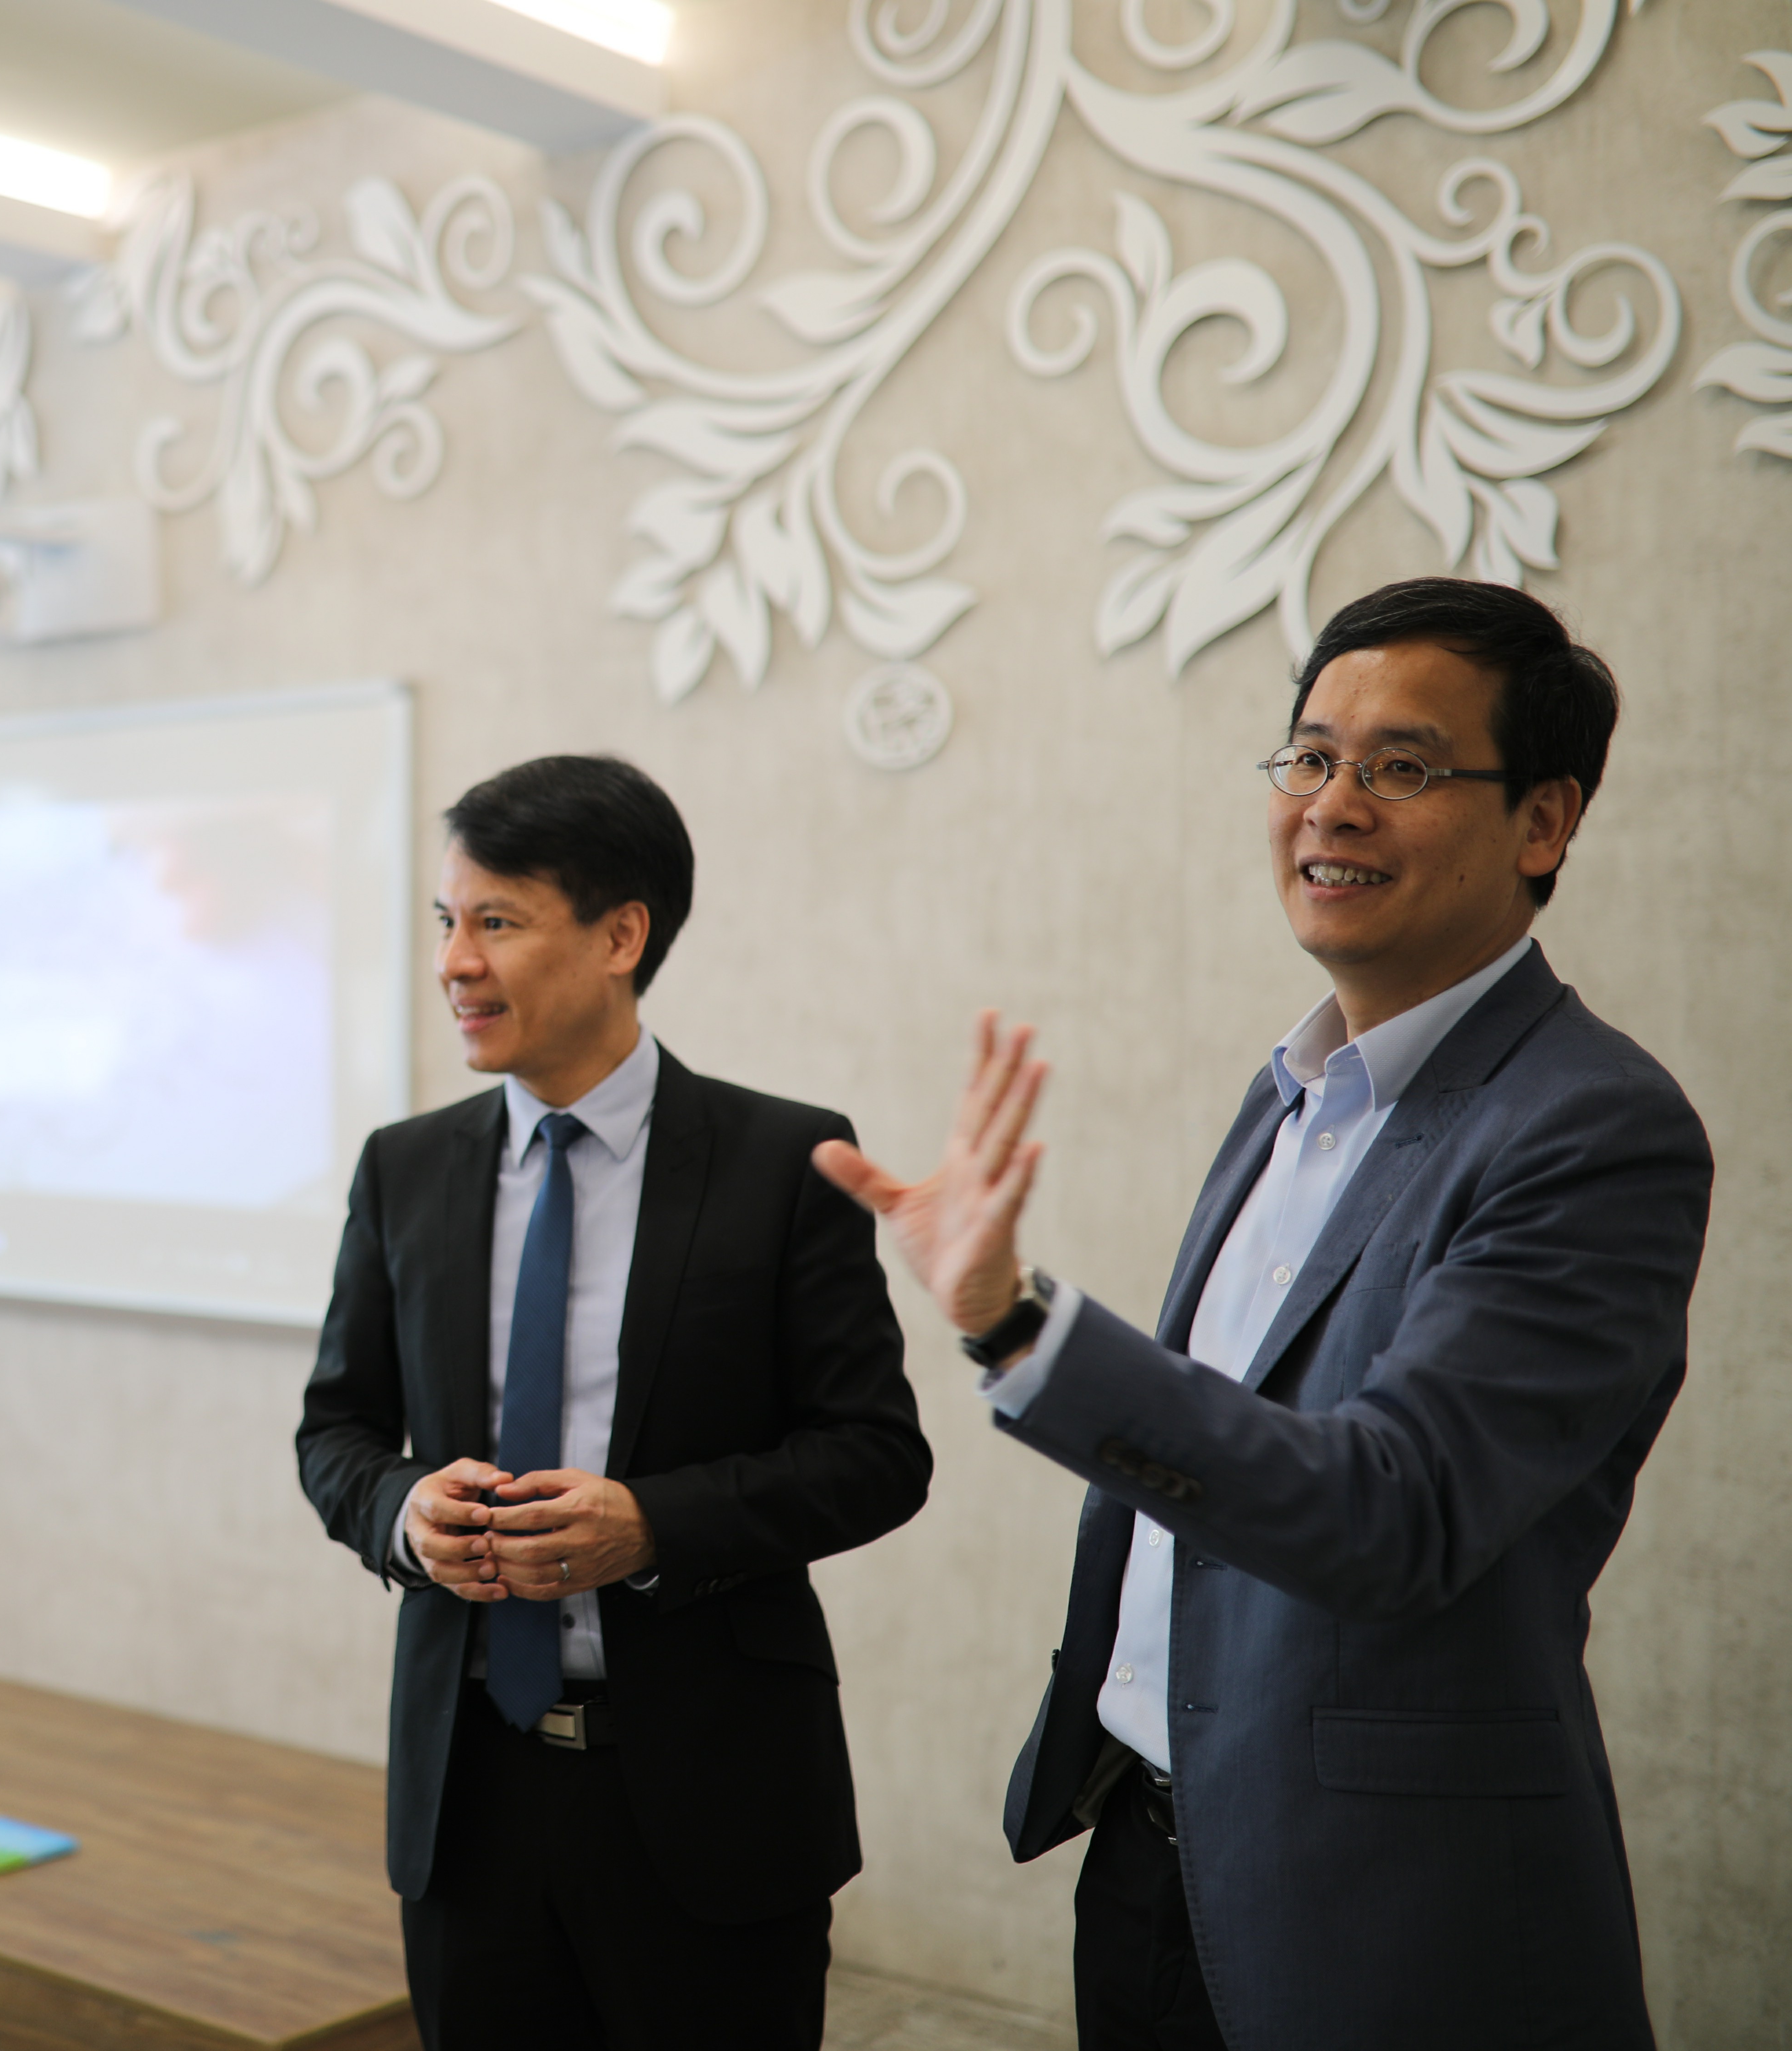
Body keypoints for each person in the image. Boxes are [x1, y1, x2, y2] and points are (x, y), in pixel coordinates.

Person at [816, 578, 1713, 2050]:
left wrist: (1027, 1330)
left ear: (1544, 823)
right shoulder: (1291, 1090)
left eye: (1402, 766)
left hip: (1380, 1904)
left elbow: (1395, 1509)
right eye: (1309, 756)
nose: (1332, 804)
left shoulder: (1592, 1127)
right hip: (1148, 1848)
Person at [296, 754, 931, 2049]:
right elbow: (337, 1433)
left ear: (620, 936)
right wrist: (404, 1512)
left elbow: (876, 1455)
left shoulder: (782, 1162)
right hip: (468, 1795)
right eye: (446, 921)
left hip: (709, 1795)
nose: (455, 963)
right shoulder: (405, 1170)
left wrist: (650, 1526)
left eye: (497, 921)